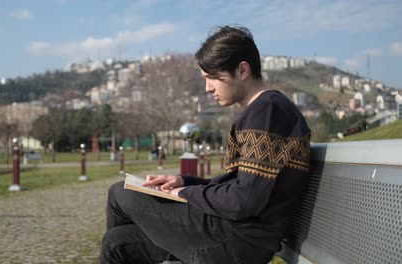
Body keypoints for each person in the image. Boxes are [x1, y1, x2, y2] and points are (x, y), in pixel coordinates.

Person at [100, 25, 311, 264]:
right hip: (231, 232)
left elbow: (244, 200)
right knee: (116, 243)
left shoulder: (268, 111)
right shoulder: (265, 111)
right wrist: (185, 181)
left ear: (242, 70)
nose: (208, 88)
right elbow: (241, 186)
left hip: (236, 242)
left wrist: (186, 193)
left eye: (213, 77)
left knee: (119, 193)